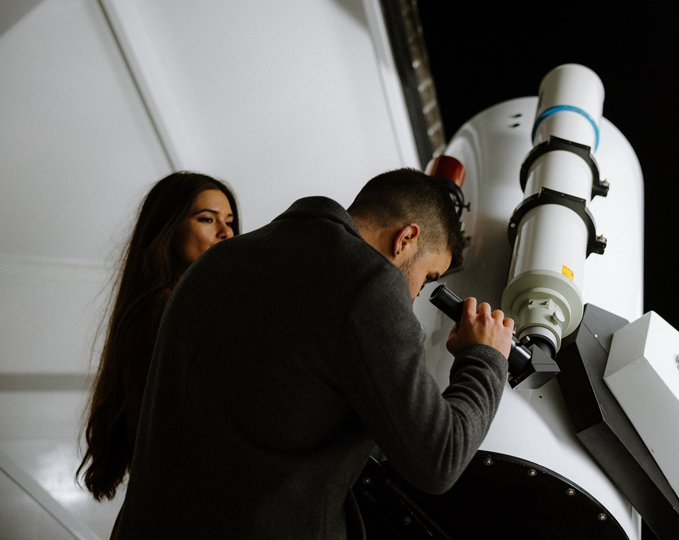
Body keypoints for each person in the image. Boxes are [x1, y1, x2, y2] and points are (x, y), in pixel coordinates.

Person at [113, 168, 514, 539]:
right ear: (405, 239)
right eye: (425, 279)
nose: (412, 298)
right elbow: (439, 459)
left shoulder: (216, 261)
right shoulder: (370, 283)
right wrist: (484, 356)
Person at [77, 171, 240, 504]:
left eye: (230, 221)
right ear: (169, 228)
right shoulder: (166, 308)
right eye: (207, 219)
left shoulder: (176, 304)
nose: (226, 232)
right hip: (187, 501)